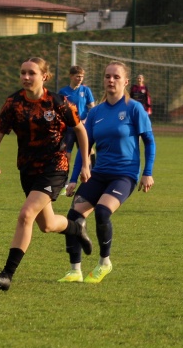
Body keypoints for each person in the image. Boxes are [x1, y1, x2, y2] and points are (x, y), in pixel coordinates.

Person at [0, 57, 92, 291]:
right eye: (23, 72)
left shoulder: (58, 102)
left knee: (26, 215)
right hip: (28, 170)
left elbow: (80, 130)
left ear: (44, 76)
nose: (26, 77)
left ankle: (7, 274)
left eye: (31, 73)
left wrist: (85, 164)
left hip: (55, 167)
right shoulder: (13, 103)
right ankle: (77, 228)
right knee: (48, 224)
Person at [59, 62, 155, 283]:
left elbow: (149, 141)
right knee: (73, 217)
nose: (111, 80)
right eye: (107, 76)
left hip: (124, 175)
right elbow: (85, 148)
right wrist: (73, 179)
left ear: (125, 82)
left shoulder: (134, 108)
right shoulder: (96, 113)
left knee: (102, 212)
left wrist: (147, 172)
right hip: (99, 173)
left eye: (116, 77)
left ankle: (104, 263)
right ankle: (75, 270)